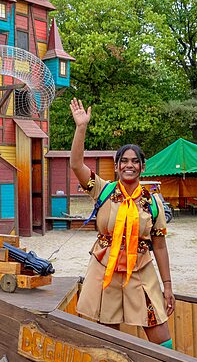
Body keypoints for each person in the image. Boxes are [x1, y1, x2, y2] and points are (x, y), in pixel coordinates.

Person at [68, 98, 175, 348]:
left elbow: (159, 246)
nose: (129, 165)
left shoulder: (152, 201)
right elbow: (75, 164)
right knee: (109, 338)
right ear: (116, 167)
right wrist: (81, 127)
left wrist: (167, 286)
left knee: (161, 336)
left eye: (134, 161)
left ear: (142, 166)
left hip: (141, 268)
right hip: (107, 268)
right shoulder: (102, 190)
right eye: (124, 161)